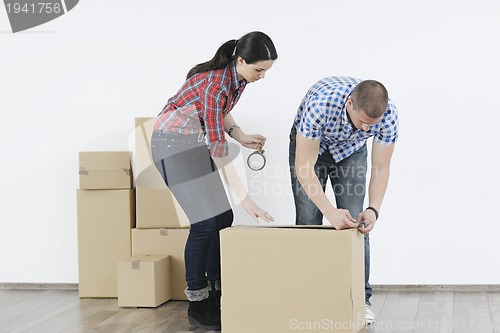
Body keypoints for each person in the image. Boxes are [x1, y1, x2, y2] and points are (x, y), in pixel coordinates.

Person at [151, 31, 277, 330]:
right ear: (241, 60)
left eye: (266, 71)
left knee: (222, 216)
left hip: (191, 143)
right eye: (259, 70)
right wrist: (245, 197)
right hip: (170, 144)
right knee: (205, 223)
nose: (262, 77)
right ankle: (198, 303)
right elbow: (219, 150)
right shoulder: (215, 83)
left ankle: (217, 291)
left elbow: (222, 114)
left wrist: (242, 136)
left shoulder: (239, 79)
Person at [288, 76, 399, 324]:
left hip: (350, 151)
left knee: (357, 221)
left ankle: (361, 299)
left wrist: (374, 209)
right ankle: (308, 297)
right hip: (310, 147)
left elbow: (381, 167)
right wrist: (329, 211)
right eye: (362, 122)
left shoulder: (389, 115)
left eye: (372, 125)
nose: (366, 129)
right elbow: (304, 167)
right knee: (308, 219)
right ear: (349, 103)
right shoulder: (320, 106)